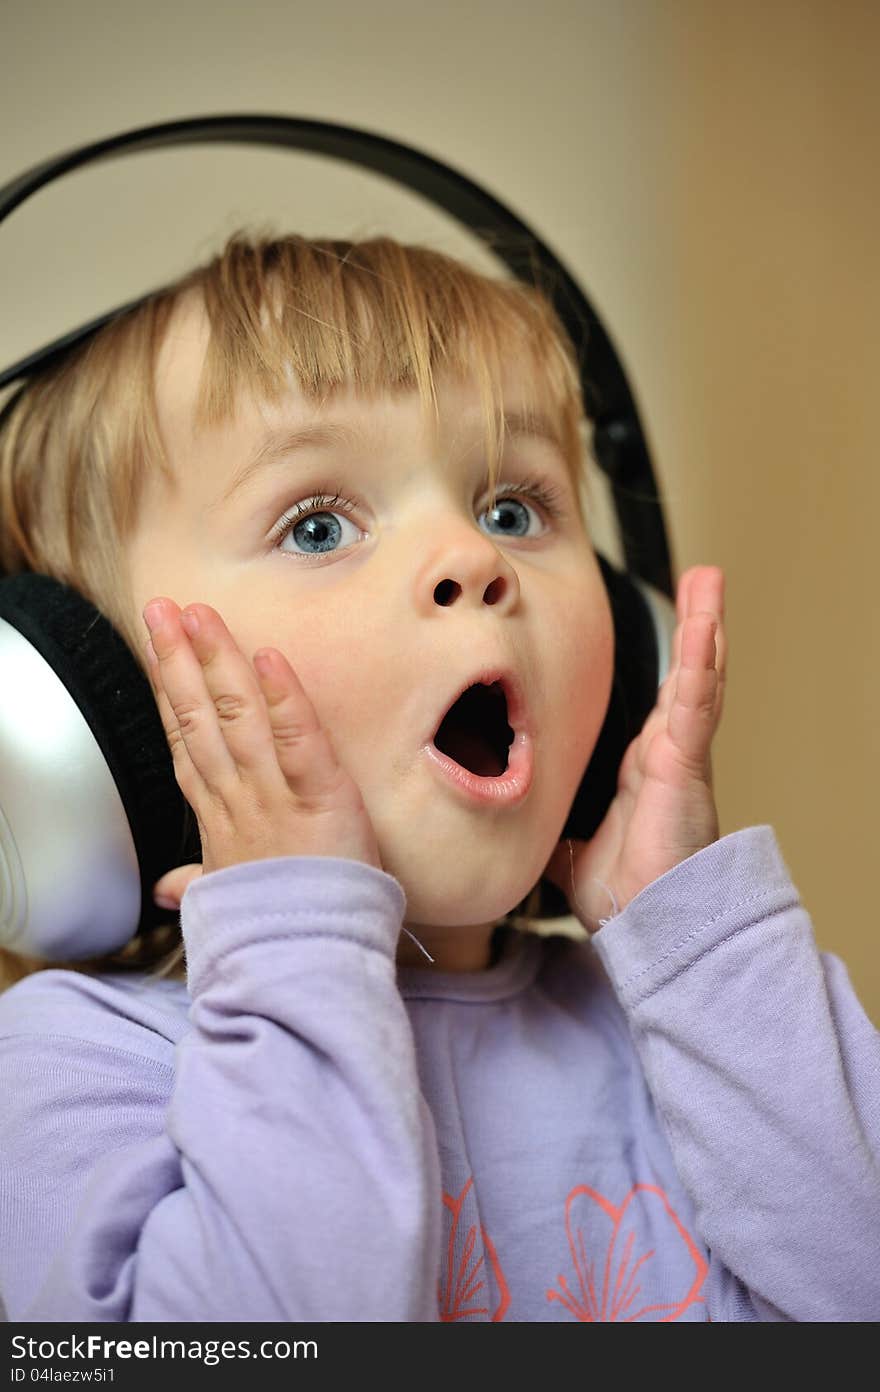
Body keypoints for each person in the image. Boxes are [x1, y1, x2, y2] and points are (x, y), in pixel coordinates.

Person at [0, 231, 877, 1323]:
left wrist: (693, 937)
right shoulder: (74, 1067)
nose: (477, 560)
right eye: (317, 524)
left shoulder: (690, 1035)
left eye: (513, 508)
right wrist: (294, 936)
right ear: (98, 708)